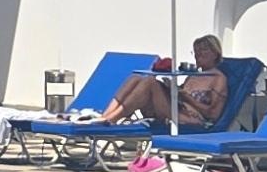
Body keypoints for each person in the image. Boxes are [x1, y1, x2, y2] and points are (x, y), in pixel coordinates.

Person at [96, 36, 231, 130]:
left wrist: (184, 96)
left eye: (203, 50)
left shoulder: (218, 78)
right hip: (175, 109)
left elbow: (212, 115)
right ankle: (105, 116)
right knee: (136, 78)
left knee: (150, 82)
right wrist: (171, 88)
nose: (198, 54)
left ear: (215, 53)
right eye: (196, 51)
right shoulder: (194, 75)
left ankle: (111, 120)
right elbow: (181, 96)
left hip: (192, 120)